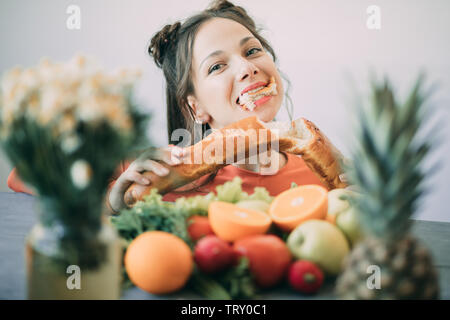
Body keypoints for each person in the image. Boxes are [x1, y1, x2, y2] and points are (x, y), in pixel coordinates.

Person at [7, 0, 327, 214]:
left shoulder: (319, 166)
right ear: (196, 106)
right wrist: (113, 200)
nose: (246, 67)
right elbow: (28, 173)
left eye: (253, 50)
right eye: (216, 67)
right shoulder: (167, 170)